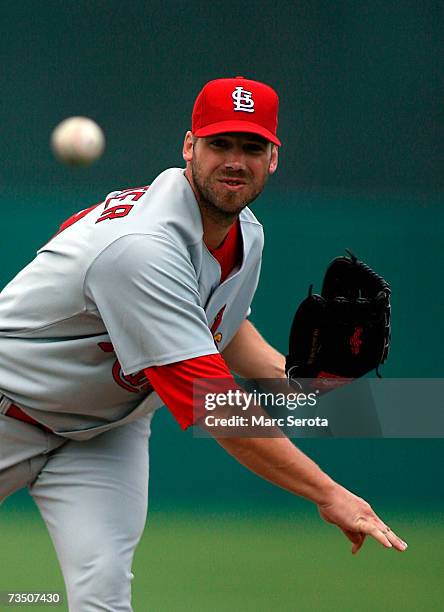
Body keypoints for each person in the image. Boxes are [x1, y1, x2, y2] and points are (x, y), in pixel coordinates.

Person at [0, 76, 407, 611]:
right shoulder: (140, 249)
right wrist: (330, 494)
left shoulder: (247, 235)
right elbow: (216, 409)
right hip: (10, 412)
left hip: (103, 434)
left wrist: (300, 384)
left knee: (102, 601)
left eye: (252, 146)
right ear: (189, 146)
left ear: (273, 158)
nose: (235, 160)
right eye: (220, 144)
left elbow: (223, 328)